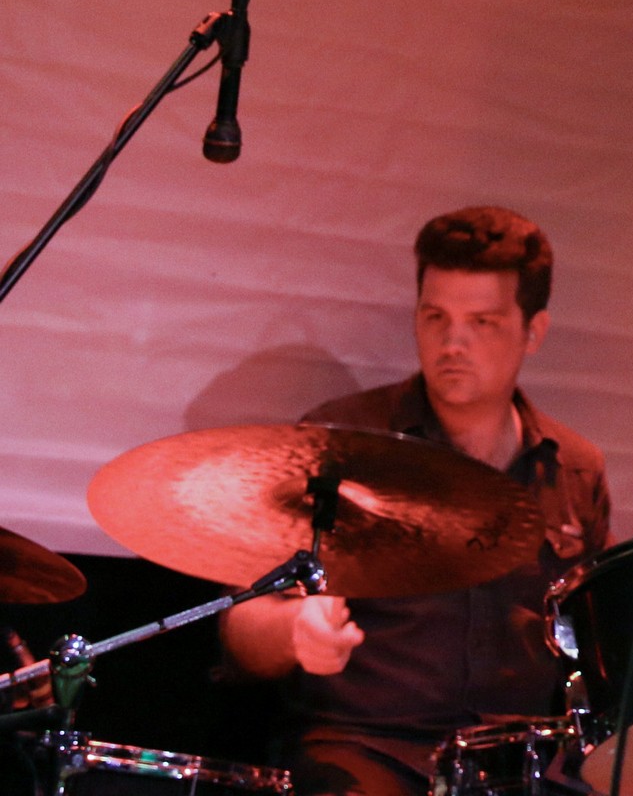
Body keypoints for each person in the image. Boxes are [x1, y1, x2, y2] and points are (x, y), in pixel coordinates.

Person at [219, 207, 611, 796]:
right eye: (435, 317)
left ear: (533, 332)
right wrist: (295, 629)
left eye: (482, 322)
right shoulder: (343, 444)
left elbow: (599, 649)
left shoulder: (576, 469)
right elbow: (242, 624)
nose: (452, 343)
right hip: (366, 749)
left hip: (521, 764)